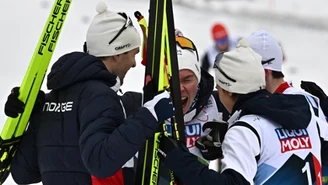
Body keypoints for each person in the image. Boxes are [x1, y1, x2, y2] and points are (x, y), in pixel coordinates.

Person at [4, 2, 174, 185]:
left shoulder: (51, 99)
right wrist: (149, 116)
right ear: (117, 53)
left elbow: (25, 172)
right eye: (133, 53)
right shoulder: (101, 97)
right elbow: (100, 163)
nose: (134, 63)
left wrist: (34, 116)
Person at [156, 38, 328, 185]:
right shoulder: (303, 108)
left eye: (219, 87)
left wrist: (177, 158)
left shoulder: (245, 130)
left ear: (229, 90)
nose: (217, 91)